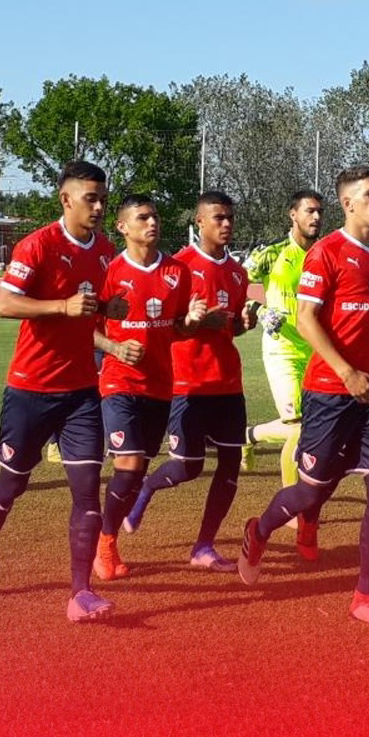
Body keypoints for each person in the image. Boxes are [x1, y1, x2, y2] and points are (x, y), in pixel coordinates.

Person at [237, 165, 369, 632]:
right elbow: (307, 319)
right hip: (330, 391)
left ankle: (365, 598)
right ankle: (259, 530)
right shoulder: (326, 253)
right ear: (348, 204)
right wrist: (346, 372)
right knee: (312, 490)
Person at [0, 161, 130, 623]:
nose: (98, 207)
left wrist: (108, 308)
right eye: (90, 199)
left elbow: (91, 307)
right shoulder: (37, 245)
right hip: (31, 388)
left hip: (81, 391)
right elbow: (5, 303)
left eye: (103, 199)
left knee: (87, 492)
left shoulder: (104, 250)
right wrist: (62, 306)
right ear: (66, 199)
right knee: (13, 482)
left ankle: (81, 592)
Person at [121, 191, 255, 570]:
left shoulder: (238, 273)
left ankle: (203, 547)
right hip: (187, 384)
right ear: (199, 222)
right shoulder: (178, 267)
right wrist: (195, 323)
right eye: (218, 218)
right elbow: (166, 326)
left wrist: (243, 324)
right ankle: (146, 488)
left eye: (230, 218)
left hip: (228, 384)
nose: (226, 224)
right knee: (187, 467)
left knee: (230, 465)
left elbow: (231, 327)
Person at [92, 194, 206, 581]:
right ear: (122, 227)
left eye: (154, 216)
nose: (152, 222)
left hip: (159, 385)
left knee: (137, 471)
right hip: (118, 381)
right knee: (127, 466)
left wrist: (192, 321)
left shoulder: (177, 272)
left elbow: (178, 329)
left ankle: (108, 535)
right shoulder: (109, 272)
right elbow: (85, 329)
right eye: (142, 217)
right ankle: (105, 543)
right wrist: (114, 348)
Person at [242, 190, 323, 491]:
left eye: (320, 212)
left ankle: (249, 436)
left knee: (313, 425)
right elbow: (233, 286)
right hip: (282, 350)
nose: (316, 217)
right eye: (310, 211)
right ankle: (292, 504)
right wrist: (258, 309)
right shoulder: (272, 253)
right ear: (293, 214)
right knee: (297, 427)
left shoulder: (324, 254)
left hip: (316, 350)